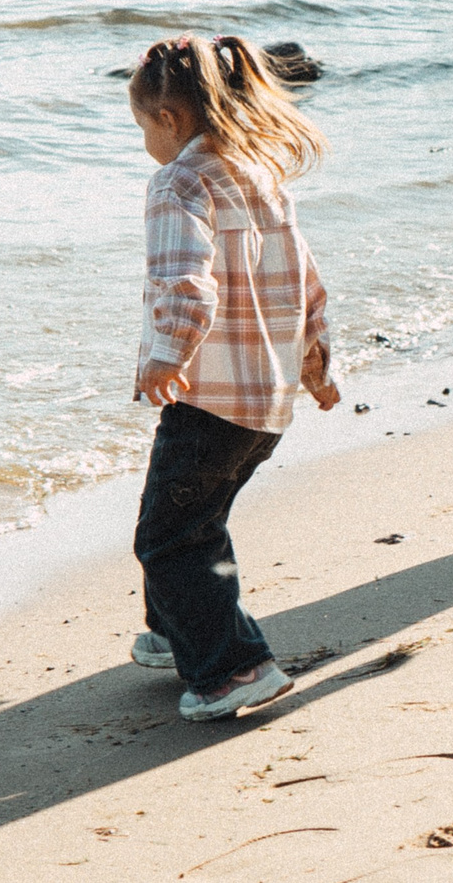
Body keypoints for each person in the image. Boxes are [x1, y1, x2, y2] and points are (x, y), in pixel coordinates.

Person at [125, 35, 340, 720]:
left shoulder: (178, 182)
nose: (146, 147)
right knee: (195, 518)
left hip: (211, 397)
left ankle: (233, 667)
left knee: (170, 536)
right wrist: (317, 363)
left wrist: (168, 352)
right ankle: (171, 634)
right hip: (265, 402)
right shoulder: (259, 173)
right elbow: (307, 282)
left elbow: (183, 283)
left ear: (169, 119)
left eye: (143, 130)